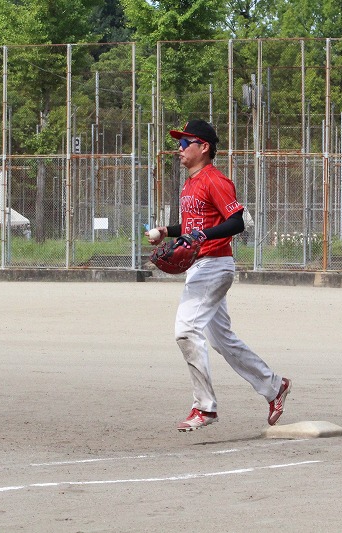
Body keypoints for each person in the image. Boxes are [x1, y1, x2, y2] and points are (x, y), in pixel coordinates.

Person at [147, 119, 291, 432]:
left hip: (214, 265)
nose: (179, 148)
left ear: (204, 147)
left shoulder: (215, 179)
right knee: (222, 340)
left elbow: (238, 221)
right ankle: (274, 386)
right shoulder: (190, 183)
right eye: (179, 143)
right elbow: (193, 226)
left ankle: (204, 407)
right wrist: (166, 230)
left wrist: (202, 235)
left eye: (185, 143)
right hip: (201, 266)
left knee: (185, 330)